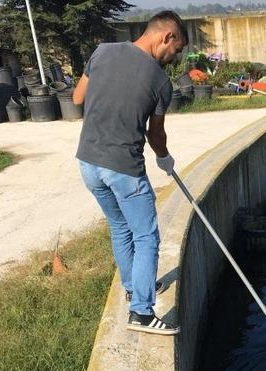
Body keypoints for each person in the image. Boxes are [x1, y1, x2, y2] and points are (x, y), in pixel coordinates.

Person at [72, 11, 187, 335]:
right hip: (124, 170)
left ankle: (131, 288)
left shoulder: (102, 51)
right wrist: (164, 159)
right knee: (147, 236)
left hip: (88, 163)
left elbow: (78, 97)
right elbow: (156, 136)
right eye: (176, 50)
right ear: (167, 37)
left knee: (120, 227)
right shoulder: (160, 82)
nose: (174, 58)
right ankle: (141, 311)